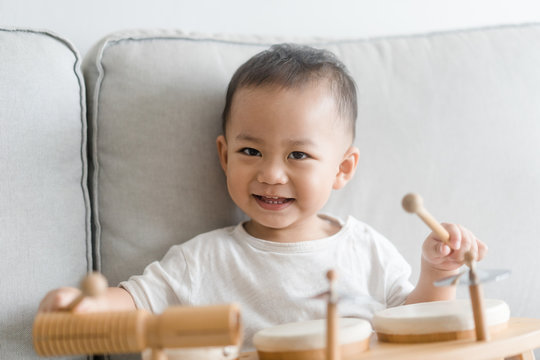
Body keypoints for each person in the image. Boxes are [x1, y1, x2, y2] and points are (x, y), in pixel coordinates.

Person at [38, 44, 487, 350]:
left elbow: (419, 327)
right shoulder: (204, 260)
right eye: (250, 151)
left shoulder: (365, 249)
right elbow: (134, 303)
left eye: (298, 154)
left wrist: (437, 273)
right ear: (224, 154)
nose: (271, 174)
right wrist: (85, 306)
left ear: (342, 169)